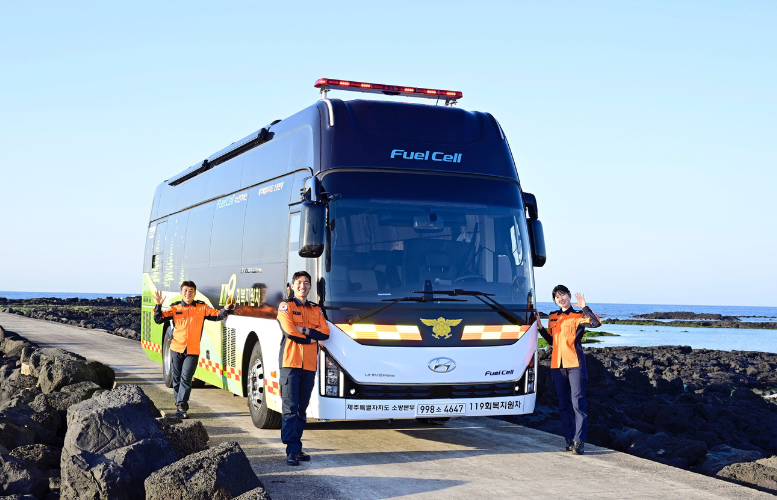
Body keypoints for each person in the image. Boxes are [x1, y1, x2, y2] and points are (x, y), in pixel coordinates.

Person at [153, 281, 234, 419]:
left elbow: (217, 315)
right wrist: (159, 305)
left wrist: (226, 308)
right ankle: (179, 404)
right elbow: (158, 319)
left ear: (195, 293)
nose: (188, 293)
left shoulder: (201, 307)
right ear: (181, 293)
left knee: (186, 378)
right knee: (177, 379)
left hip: (192, 351)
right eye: (185, 290)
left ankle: (182, 406)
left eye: (191, 291)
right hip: (176, 348)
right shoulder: (175, 307)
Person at [537, 285, 601, 455]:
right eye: (557, 297)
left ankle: (579, 441)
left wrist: (584, 307)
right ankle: (569, 438)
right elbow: (552, 341)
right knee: (563, 405)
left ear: (569, 295)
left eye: (562, 294)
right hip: (557, 367)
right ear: (555, 300)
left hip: (575, 365)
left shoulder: (578, 315)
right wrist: (541, 328)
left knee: (578, 403)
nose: (560, 298)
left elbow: (596, 323)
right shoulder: (552, 317)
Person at [276, 271, 330, 466]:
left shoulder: (316, 309)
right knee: (290, 408)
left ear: (310, 287)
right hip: (290, 364)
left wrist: (305, 330)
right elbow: (289, 331)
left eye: (306, 283)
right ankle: (291, 450)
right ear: (292, 285)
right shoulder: (286, 306)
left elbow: (326, 333)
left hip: (309, 365)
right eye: (299, 282)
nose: (303, 286)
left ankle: (296, 448)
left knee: (301, 409)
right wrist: (310, 337)